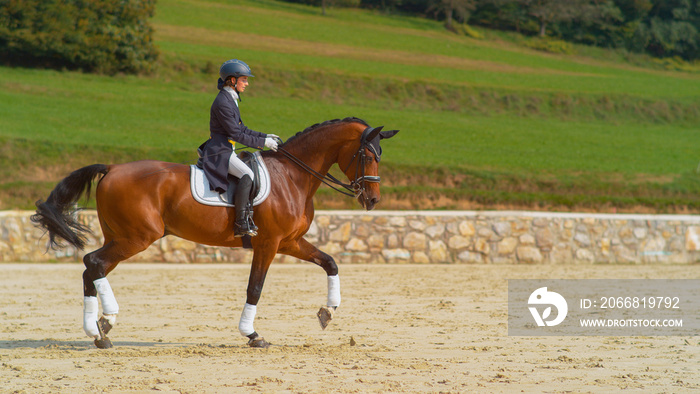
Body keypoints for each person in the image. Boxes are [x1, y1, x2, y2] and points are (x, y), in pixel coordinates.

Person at [199, 59, 279, 237]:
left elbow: (242, 129)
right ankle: (241, 222)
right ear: (232, 80)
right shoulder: (223, 102)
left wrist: (264, 136)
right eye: (244, 79)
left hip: (228, 148)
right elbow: (236, 134)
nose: (247, 83)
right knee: (247, 175)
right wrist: (262, 144)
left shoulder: (230, 99)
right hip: (220, 151)